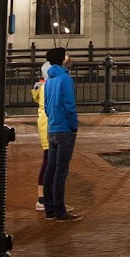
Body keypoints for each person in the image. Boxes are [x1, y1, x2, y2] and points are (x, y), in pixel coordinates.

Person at [42, 47, 82, 222]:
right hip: (65, 128)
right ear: (61, 59)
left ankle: (49, 208)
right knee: (61, 170)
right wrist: (74, 126)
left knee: (50, 169)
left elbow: (47, 103)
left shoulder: (49, 79)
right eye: (66, 55)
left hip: (52, 127)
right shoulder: (65, 78)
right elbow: (69, 104)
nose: (68, 57)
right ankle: (60, 210)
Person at [30, 57, 51, 212]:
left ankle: (43, 198)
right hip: (50, 127)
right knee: (49, 163)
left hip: (45, 126)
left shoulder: (42, 86)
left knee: (47, 162)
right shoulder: (48, 87)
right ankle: (44, 199)